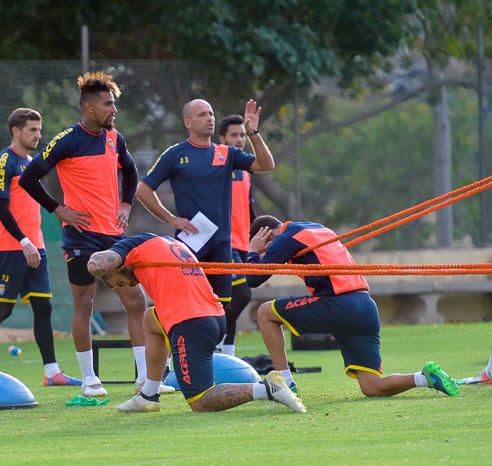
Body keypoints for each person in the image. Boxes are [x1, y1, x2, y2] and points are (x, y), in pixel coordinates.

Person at [19, 72, 167, 397]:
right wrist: (58, 210)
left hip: (114, 237)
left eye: (113, 103)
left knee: (135, 299)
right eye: (108, 104)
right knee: (84, 304)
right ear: (89, 109)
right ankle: (90, 380)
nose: (113, 109)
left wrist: (126, 205)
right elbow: (28, 178)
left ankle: (144, 378)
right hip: (81, 238)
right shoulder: (66, 140)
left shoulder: (116, 138)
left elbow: (131, 171)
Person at [86, 233, 306, 413]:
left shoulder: (131, 248)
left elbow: (100, 262)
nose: (125, 286)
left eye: (119, 283)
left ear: (117, 267)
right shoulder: (164, 244)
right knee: (150, 319)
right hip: (213, 317)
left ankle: (267, 389)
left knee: (200, 402)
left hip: (191, 324)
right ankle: (149, 394)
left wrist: (93, 263)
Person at [245, 215, 460, 397]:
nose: (269, 255)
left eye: (266, 250)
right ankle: (424, 378)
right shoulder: (317, 229)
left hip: (338, 304)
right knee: (371, 386)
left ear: (267, 235)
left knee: (265, 313)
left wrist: (253, 251)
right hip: (365, 306)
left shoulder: (286, 236)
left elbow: (253, 278)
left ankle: (284, 383)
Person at [0, 108, 80, 386]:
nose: (38, 135)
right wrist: (23, 242)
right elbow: (1, 210)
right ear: (16, 131)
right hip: (11, 247)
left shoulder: (32, 163)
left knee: (43, 307)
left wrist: (33, 242)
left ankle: (52, 373)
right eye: (32, 130)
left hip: (36, 247)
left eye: (39, 129)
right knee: (3, 309)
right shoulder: (4, 161)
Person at [136, 99, 274, 308]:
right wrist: (172, 219)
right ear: (188, 122)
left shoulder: (226, 153)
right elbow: (143, 190)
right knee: (186, 304)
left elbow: (266, 164)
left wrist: (253, 133)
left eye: (211, 113)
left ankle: (218, 342)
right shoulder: (176, 154)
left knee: (220, 306)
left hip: (222, 244)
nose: (209, 118)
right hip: (190, 243)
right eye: (202, 114)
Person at [217, 114, 256, 356]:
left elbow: (248, 208)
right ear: (222, 139)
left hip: (242, 243)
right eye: (234, 135)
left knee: (231, 297)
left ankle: (228, 355)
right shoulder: (218, 163)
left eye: (242, 135)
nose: (240, 139)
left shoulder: (246, 169)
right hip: (224, 243)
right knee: (242, 294)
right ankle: (211, 344)